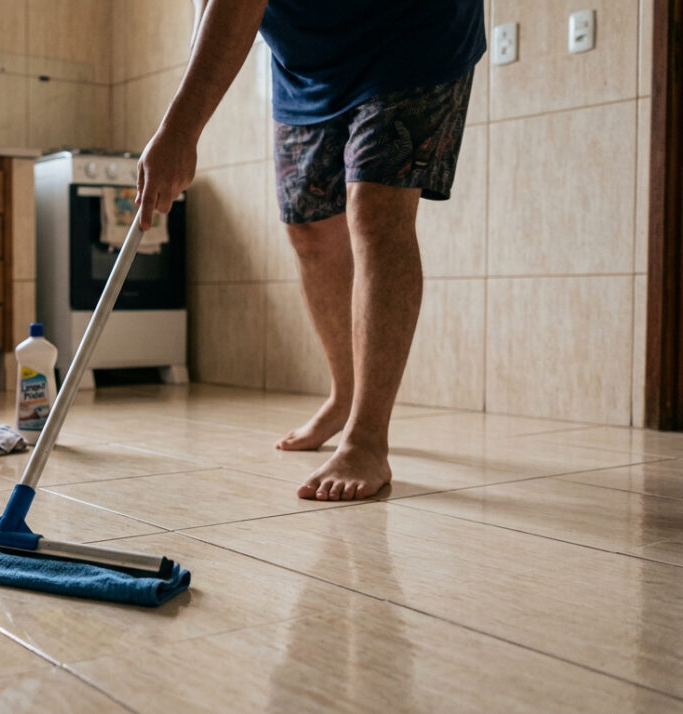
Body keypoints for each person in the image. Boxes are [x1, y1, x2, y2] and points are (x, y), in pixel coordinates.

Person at [136, 0, 485, 501]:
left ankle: (366, 437)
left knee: (376, 211)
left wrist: (182, 129)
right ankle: (343, 395)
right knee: (308, 226)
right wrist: (186, 116)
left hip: (411, 29)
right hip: (307, 63)